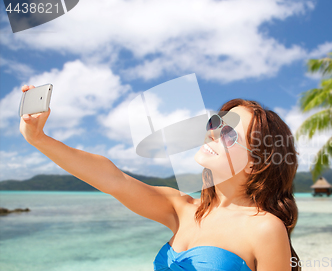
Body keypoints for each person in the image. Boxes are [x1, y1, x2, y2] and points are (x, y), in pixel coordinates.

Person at [19, 84, 301, 271]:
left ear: (256, 164)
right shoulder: (182, 208)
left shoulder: (265, 229)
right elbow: (112, 179)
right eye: (216, 122)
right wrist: (39, 139)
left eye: (229, 134)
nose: (213, 132)